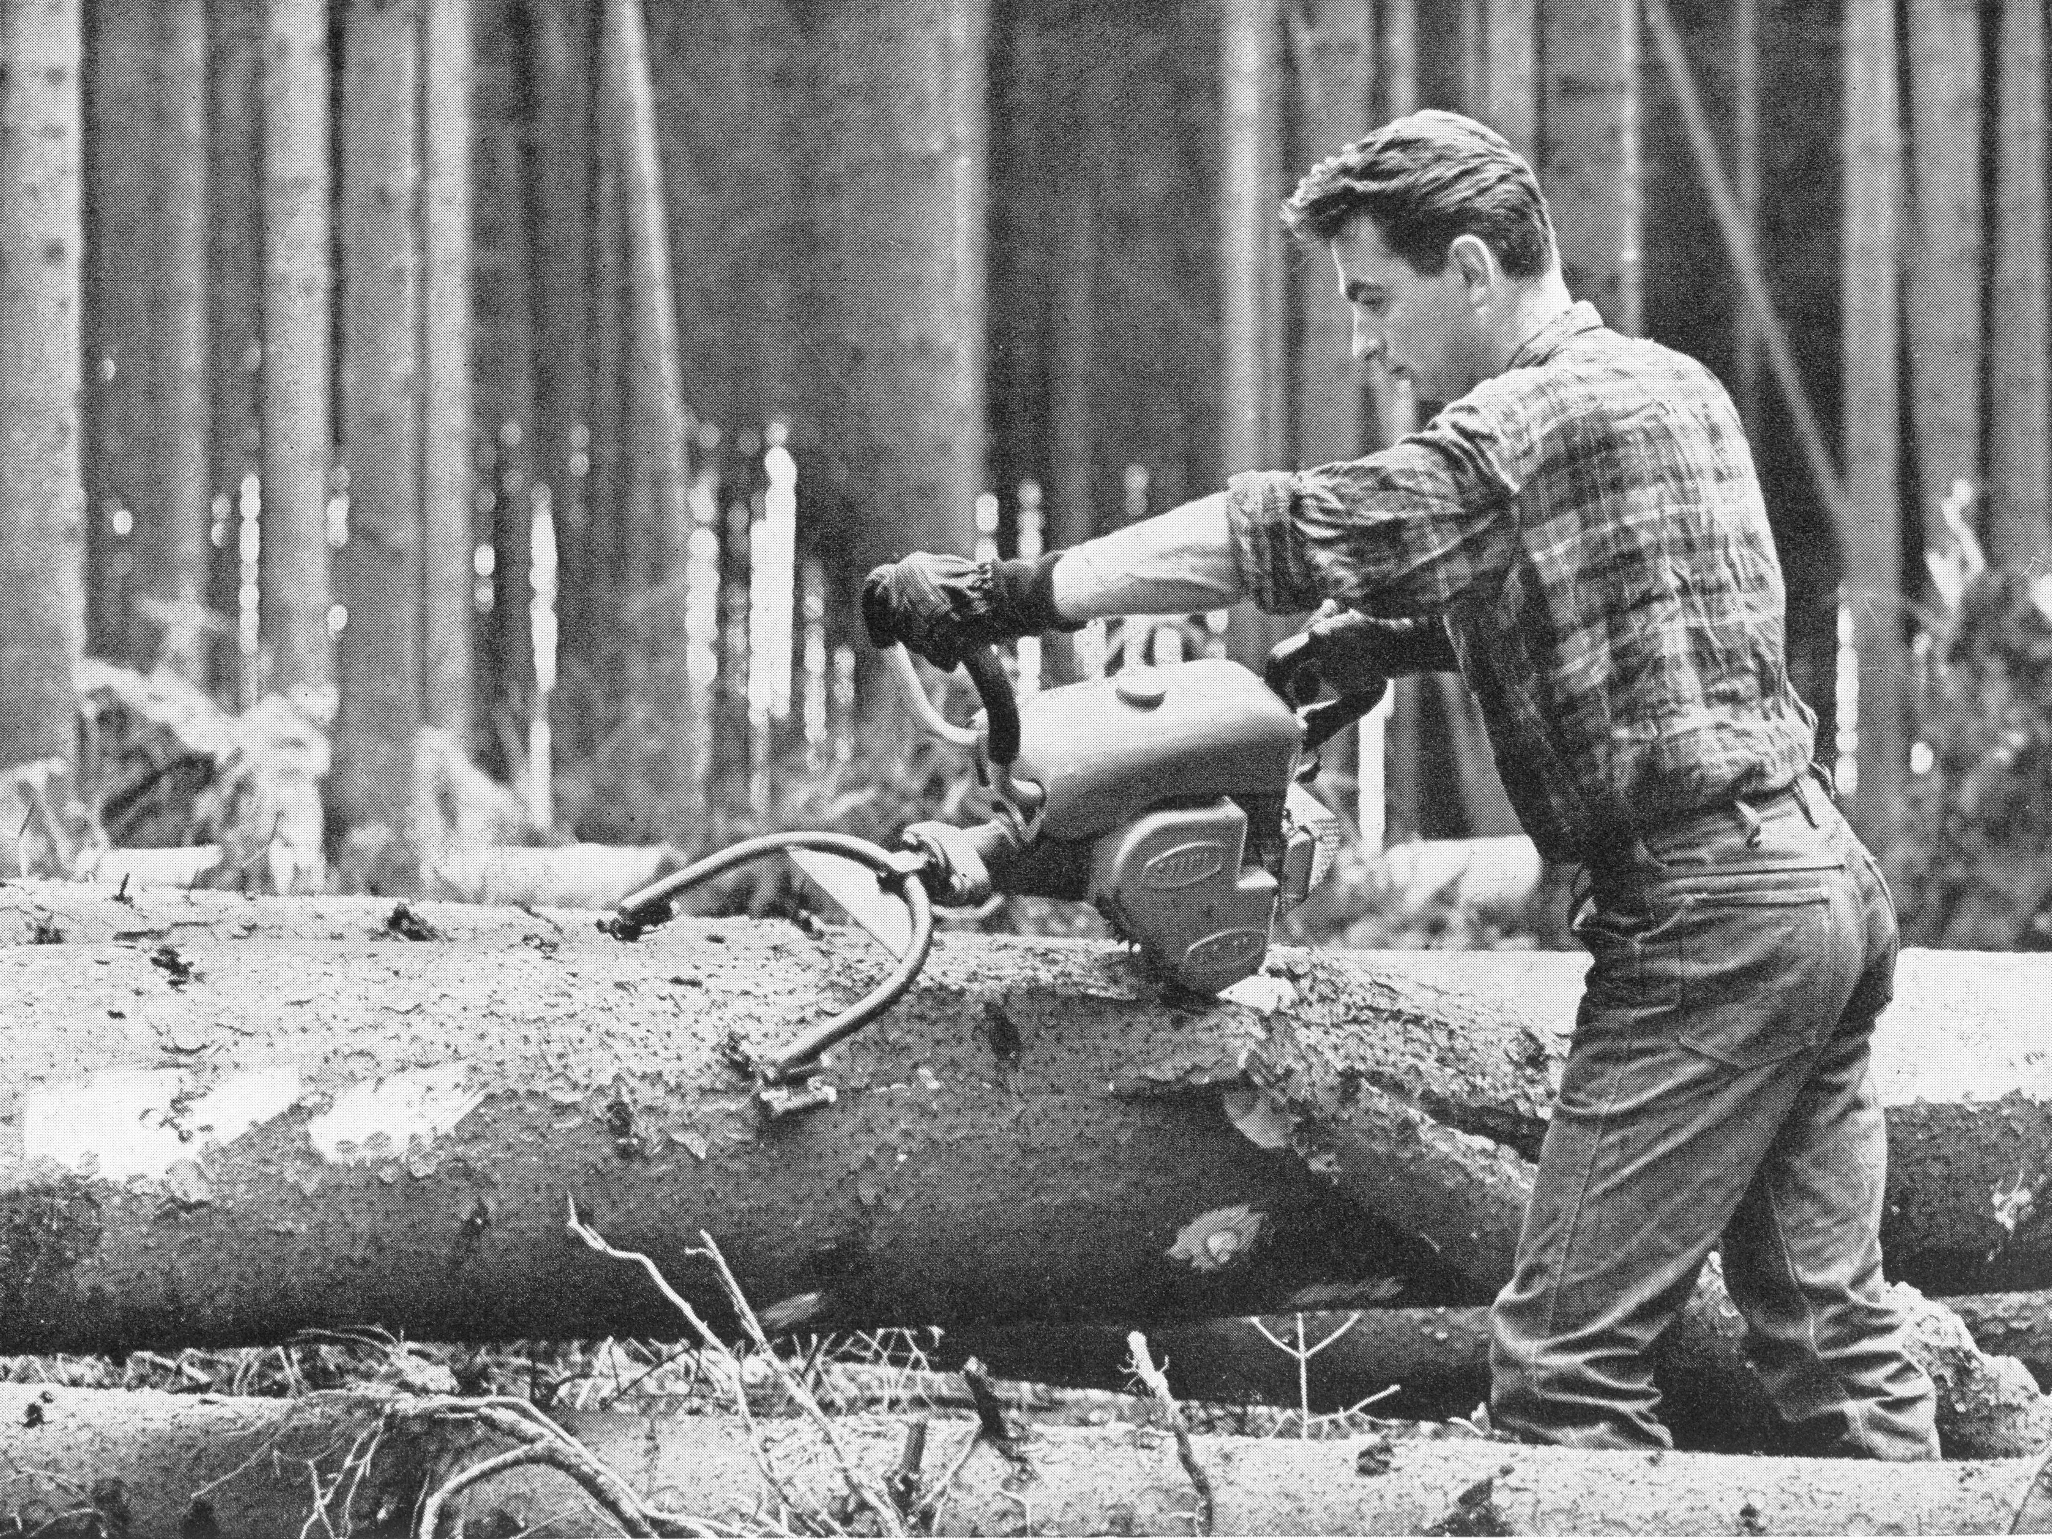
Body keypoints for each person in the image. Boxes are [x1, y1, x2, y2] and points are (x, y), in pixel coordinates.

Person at [860, 109, 1941, 1459]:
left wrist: (1019, 591)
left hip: (1708, 924)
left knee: (1566, 1381)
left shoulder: (1511, 431)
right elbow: (1639, 617)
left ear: (1475, 269)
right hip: (1821, 888)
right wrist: (1403, 640)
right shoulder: (1674, 388)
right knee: (1831, 1342)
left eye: (1376, 298)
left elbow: (1285, 530)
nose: (1367, 340)